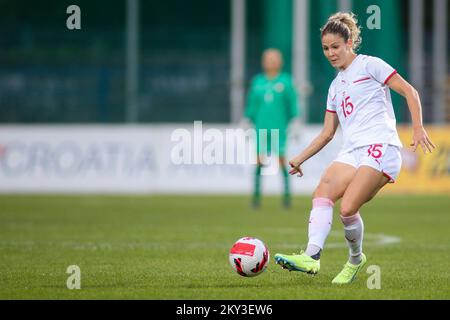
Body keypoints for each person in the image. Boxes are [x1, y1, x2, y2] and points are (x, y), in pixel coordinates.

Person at [274, 12, 436, 284]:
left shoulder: (370, 65)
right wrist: (299, 158)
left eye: (335, 47)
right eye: (326, 48)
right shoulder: (335, 86)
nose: (330, 53)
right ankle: (311, 258)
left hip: (381, 147)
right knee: (322, 190)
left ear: (349, 42)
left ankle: (355, 259)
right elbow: (327, 133)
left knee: (347, 209)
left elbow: (410, 91)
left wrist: (418, 126)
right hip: (352, 150)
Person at [244, 48, 300, 209]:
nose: (271, 62)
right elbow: (252, 104)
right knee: (259, 161)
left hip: (279, 128)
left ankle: (287, 197)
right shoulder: (258, 81)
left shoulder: (286, 81)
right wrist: (247, 119)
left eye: (274, 59)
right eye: (268, 59)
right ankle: (256, 197)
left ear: (280, 62)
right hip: (261, 128)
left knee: (282, 161)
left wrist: (296, 120)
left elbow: (293, 104)